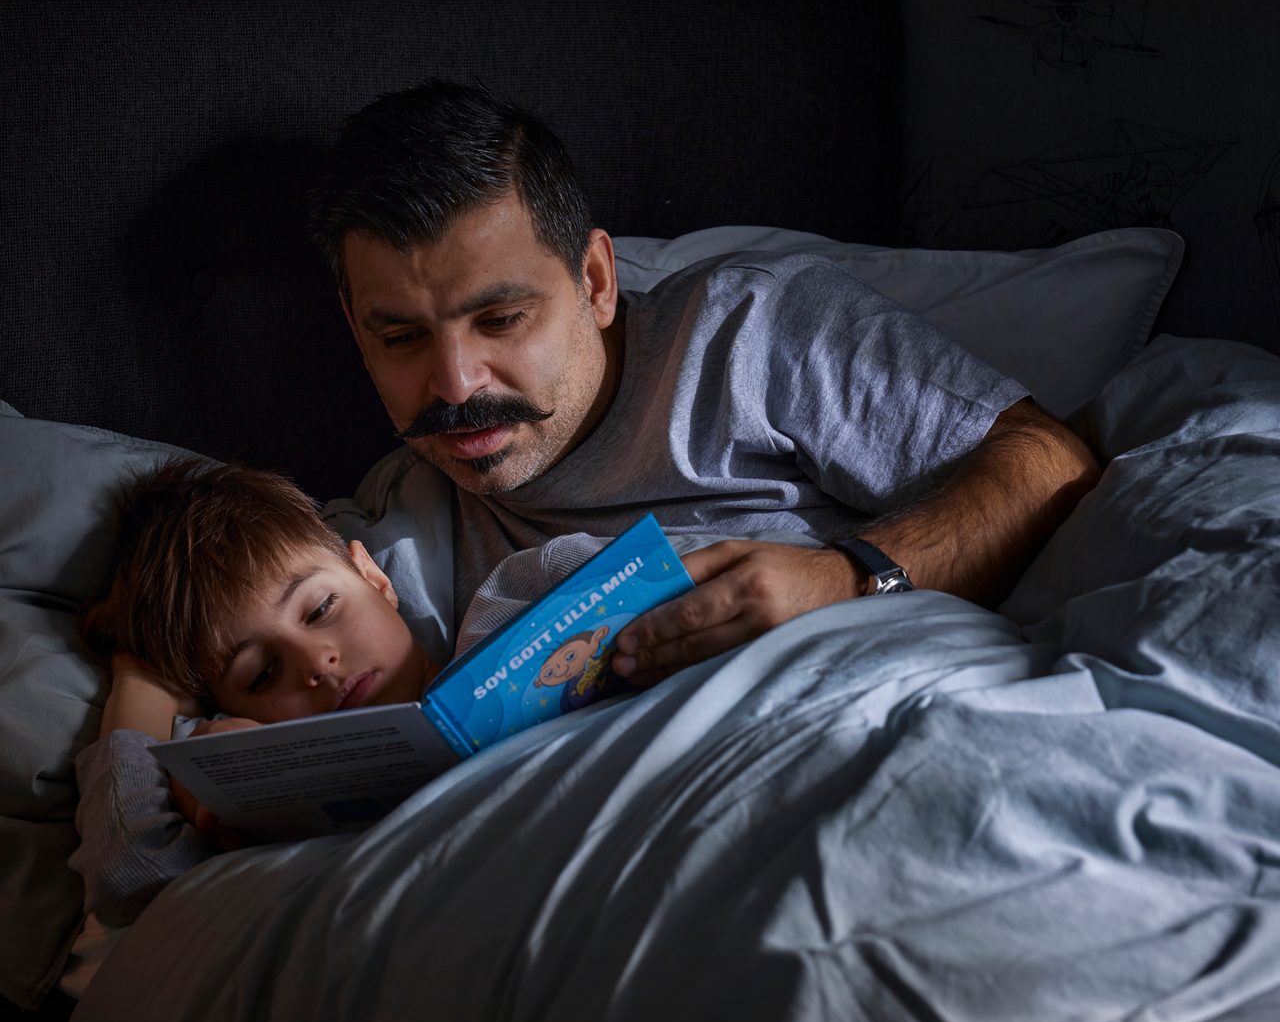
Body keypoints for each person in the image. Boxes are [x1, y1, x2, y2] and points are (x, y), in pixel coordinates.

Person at [307, 80, 1100, 681]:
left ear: (594, 280)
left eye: (502, 320)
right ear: (354, 332)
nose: (453, 384)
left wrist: (845, 581)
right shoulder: (395, 522)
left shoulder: (749, 332)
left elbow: (1047, 463)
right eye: (404, 337)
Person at [73, 455, 438, 925]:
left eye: (320, 609)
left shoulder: (504, 604)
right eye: (261, 674)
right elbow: (131, 877)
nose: (315, 663)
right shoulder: (278, 808)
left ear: (373, 577)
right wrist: (140, 682)